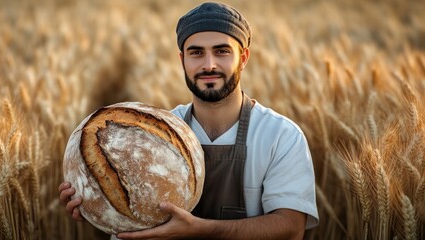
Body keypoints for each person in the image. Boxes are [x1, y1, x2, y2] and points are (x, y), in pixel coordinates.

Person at [59, 2, 319, 239]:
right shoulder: (149, 136)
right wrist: (98, 205)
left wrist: (204, 230)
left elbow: (290, 227)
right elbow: (132, 225)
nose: (209, 64)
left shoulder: (280, 135)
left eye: (221, 51)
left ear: (243, 58)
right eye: (196, 53)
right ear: (182, 59)